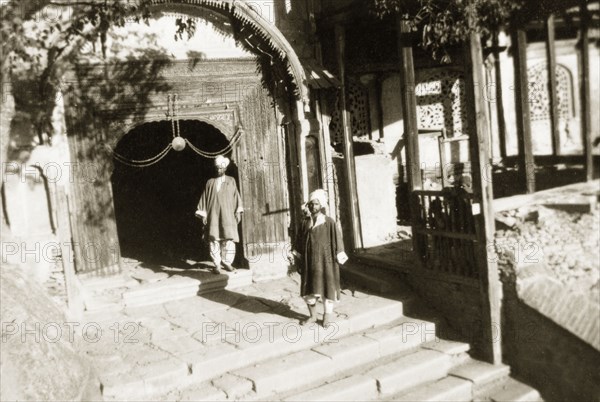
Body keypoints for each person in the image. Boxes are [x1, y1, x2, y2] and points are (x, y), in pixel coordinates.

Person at [292, 189, 348, 327]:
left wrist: (338, 255)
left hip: (325, 262)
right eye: (311, 204)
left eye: (316, 204)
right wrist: (296, 256)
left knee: (327, 288)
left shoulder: (329, 222)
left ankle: (327, 317)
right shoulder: (305, 222)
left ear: (321, 205)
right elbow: (299, 241)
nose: (313, 207)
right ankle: (312, 316)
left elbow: (337, 240)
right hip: (308, 262)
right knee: (309, 289)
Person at [196, 155, 243, 274]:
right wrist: (204, 214)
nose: (218, 170)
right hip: (213, 215)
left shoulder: (231, 180)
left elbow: (236, 196)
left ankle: (227, 262)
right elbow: (204, 198)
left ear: (225, 168)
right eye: (217, 168)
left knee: (228, 239)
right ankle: (216, 264)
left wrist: (238, 211)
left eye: (221, 168)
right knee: (214, 239)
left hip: (227, 215)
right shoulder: (210, 182)